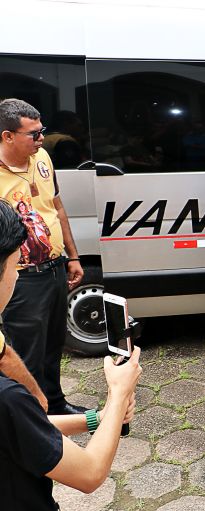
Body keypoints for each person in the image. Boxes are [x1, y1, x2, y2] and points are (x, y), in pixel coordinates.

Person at [0, 198, 141, 511]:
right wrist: (119, 393)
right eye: (14, 266)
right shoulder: (8, 399)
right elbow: (89, 473)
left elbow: (22, 431)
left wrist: (97, 419)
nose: (17, 277)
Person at [0, 98, 87, 416]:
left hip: (54, 268)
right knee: (26, 355)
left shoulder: (43, 157)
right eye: (33, 134)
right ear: (7, 136)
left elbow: (57, 207)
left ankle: (55, 405)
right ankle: (31, 419)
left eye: (42, 131)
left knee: (53, 347)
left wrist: (73, 256)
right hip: (21, 278)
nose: (41, 139)